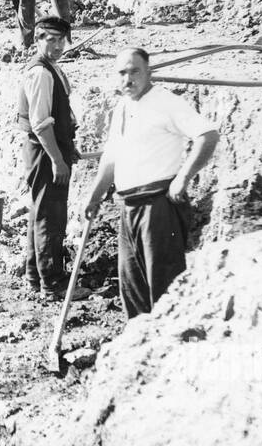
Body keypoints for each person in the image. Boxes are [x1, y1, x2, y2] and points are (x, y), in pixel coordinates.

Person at [83, 48, 220, 318]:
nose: (128, 78)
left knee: (165, 287)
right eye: (122, 72)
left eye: (135, 71)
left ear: (149, 72)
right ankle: (140, 348)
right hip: (129, 208)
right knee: (132, 286)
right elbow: (111, 157)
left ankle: (175, 346)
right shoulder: (122, 106)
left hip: (158, 206)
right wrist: (95, 195)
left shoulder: (165, 102)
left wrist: (183, 177)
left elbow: (208, 135)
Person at [16, 15, 82, 300]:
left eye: (61, 40)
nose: (57, 46)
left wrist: (68, 148)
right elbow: (41, 123)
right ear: (38, 40)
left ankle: (35, 276)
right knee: (50, 218)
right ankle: (52, 284)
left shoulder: (50, 68)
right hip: (44, 153)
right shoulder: (41, 73)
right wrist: (57, 159)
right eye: (50, 40)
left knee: (40, 214)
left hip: (48, 149)